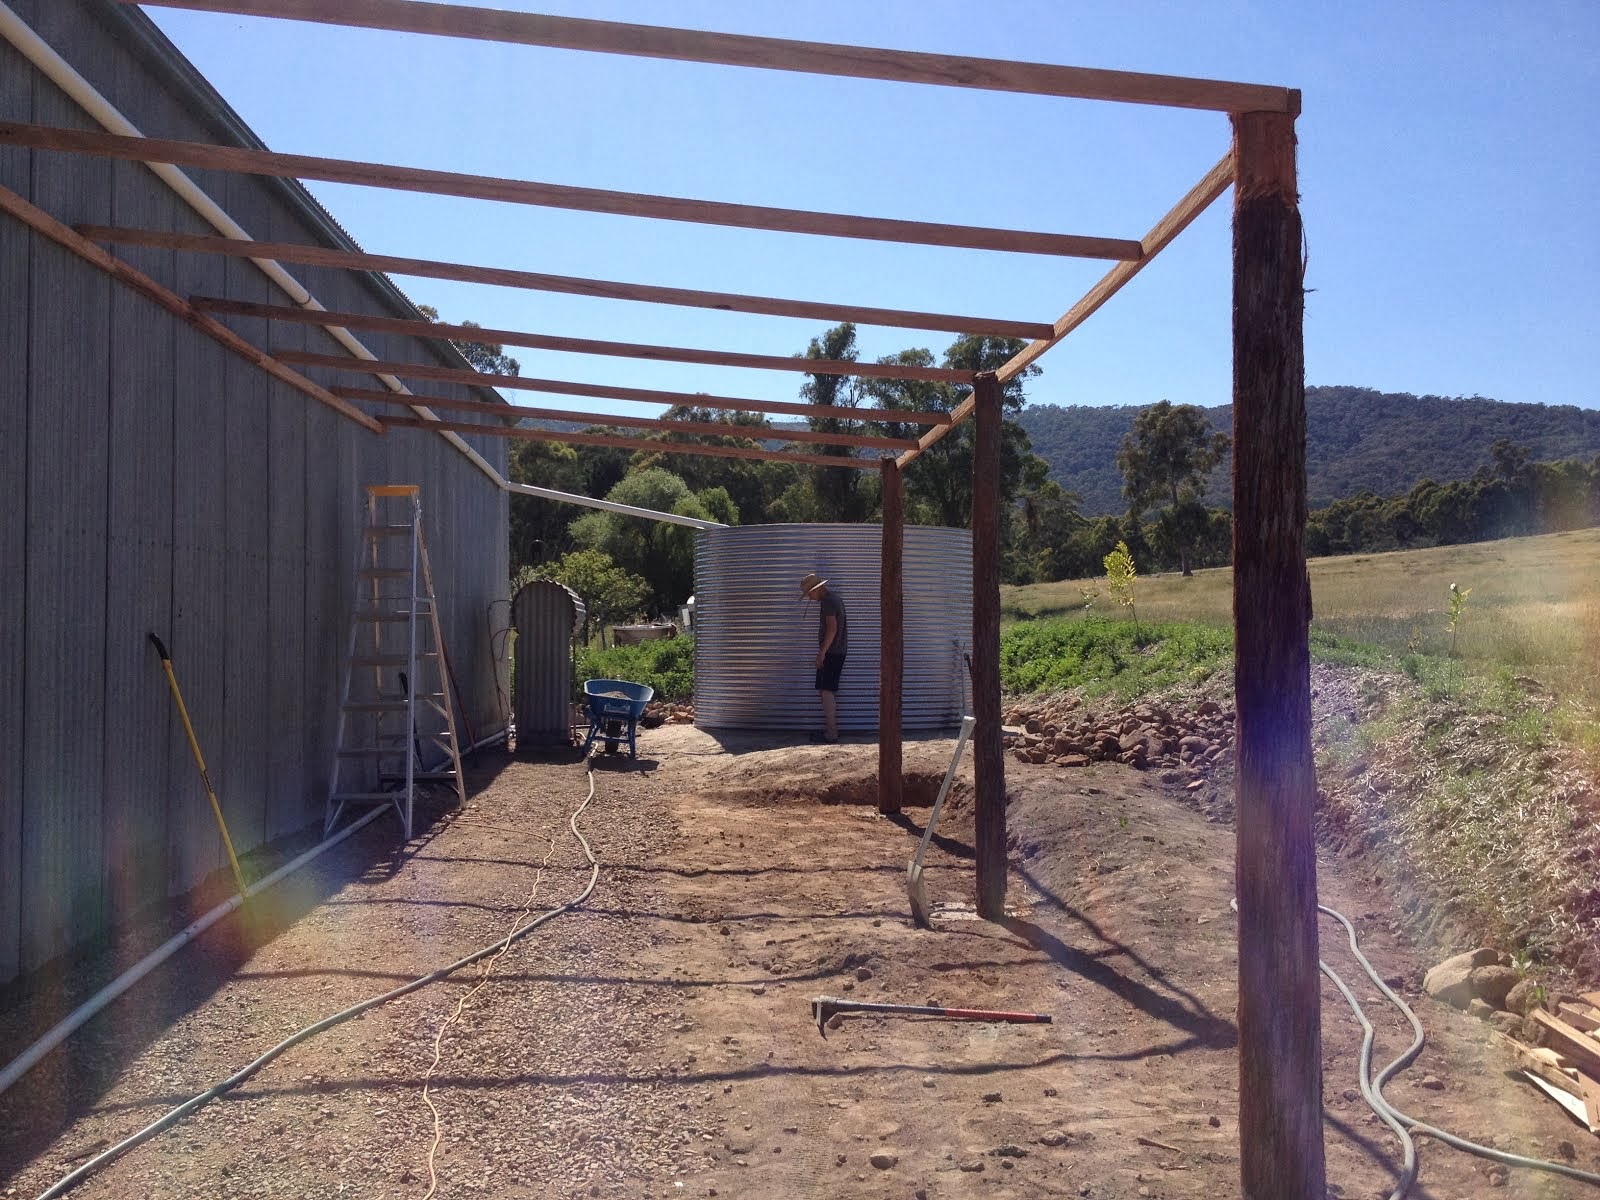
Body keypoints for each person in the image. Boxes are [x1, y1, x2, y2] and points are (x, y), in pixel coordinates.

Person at [799, 572, 846, 743]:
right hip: (835, 651)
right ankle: (830, 730)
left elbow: (832, 629)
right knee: (825, 690)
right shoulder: (833, 599)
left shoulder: (828, 602)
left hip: (832, 652)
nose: (809, 597)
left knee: (826, 691)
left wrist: (822, 653)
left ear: (817, 589)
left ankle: (832, 734)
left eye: (809, 593)